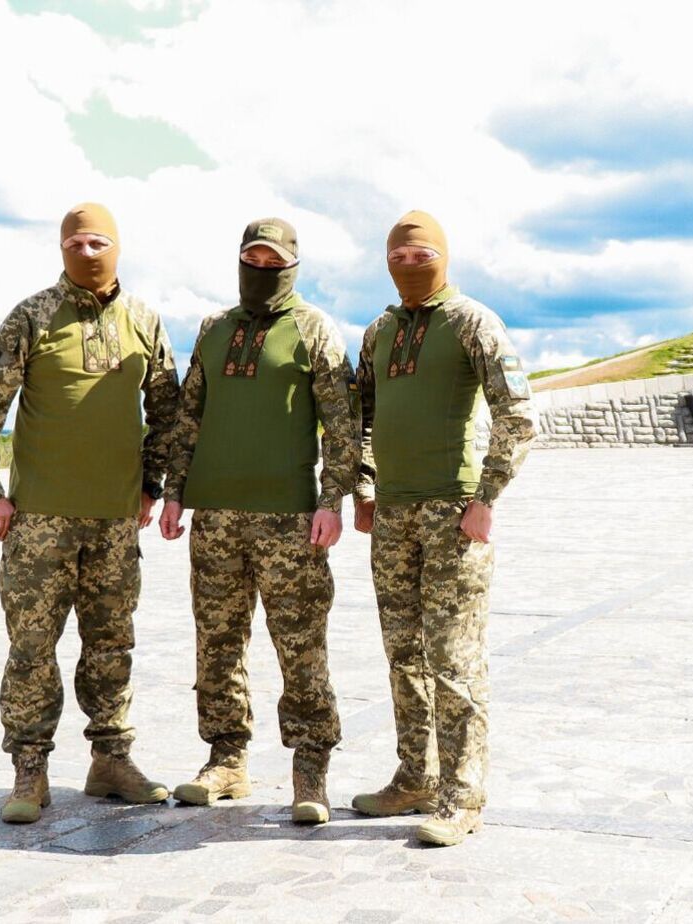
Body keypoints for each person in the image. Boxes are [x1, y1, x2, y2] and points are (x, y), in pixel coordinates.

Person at [0, 202, 180, 823]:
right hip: (39, 525)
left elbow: (170, 411)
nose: (88, 251)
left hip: (113, 523)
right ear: (61, 249)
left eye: (99, 241)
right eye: (77, 242)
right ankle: (30, 771)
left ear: (118, 247)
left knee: (111, 643)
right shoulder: (33, 316)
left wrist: (150, 487)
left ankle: (111, 760)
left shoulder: (143, 321)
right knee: (32, 649)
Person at [157, 217, 358, 825]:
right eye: (254, 260)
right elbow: (189, 414)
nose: (263, 272)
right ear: (240, 261)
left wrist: (332, 500)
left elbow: (342, 426)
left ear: (292, 267)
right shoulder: (215, 329)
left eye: (275, 264)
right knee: (216, 642)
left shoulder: (315, 329)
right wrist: (174, 491)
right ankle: (226, 759)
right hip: (215, 517)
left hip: (290, 521)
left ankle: (310, 766)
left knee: (300, 647)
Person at [350, 210, 537, 846]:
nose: (410, 265)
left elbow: (517, 413)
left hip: (452, 513)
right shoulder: (377, 333)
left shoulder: (472, 322)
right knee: (403, 655)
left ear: (443, 256)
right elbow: (361, 420)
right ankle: (414, 778)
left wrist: (487, 497)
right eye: (398, 257)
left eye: (421, 255)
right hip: (394, 517)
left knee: (453, 660)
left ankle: (462, 798)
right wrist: (368, 489)